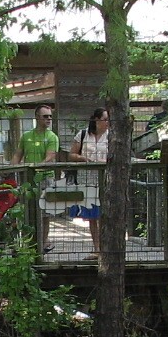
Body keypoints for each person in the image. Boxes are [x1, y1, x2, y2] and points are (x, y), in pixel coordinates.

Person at [10, 104, 60, 250]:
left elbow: (50, 157)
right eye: (45, 116)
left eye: (50, 116)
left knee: (45, 213)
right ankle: (29, 241)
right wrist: (9, 169)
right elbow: (18, 154)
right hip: (28, 179)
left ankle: (43, 242)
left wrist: (36, 167)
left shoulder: (52, 137)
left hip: (46, 177)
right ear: (37, 117)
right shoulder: (26, 136)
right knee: (28, 211)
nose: (49, 119)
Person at [68, 107, 111, 256]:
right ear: (97, 120)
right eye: (105, 119)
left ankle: (108, 247)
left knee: (106, 213)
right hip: (87, 179)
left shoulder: (111, 136)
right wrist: (83, 158)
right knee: (93, 215)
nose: (107, 122)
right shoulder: (83, 134)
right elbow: (71, 155)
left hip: (106, 179)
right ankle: (97, 248)